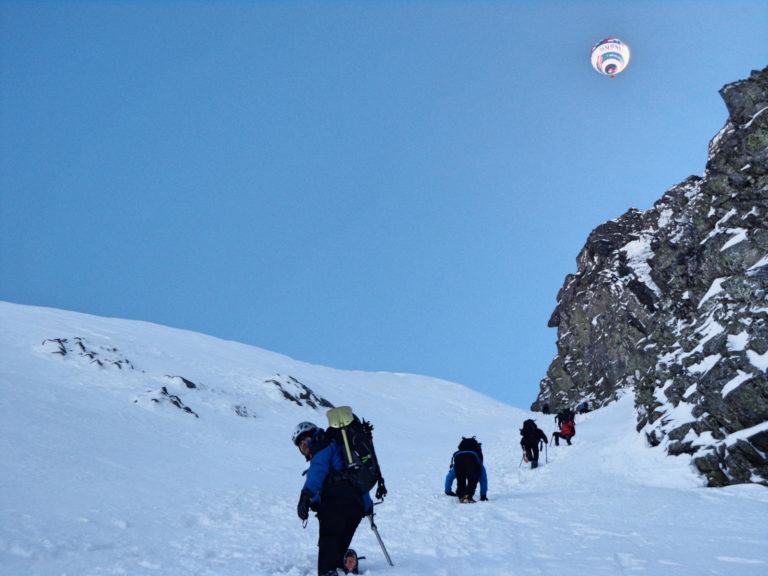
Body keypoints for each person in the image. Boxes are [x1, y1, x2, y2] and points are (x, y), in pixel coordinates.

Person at [293, 421, 373, 576]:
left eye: (306, 441)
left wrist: (305, 496)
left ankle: (329, 570)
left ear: (314, 435)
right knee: (336, 547)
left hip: (335, 504)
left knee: (327, 552)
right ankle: (346, 561)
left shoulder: (323, 445)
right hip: (355, 507)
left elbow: (317, 472)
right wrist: (367, 505)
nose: (305, 446)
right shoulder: (339, 448)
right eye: (301, 446)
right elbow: (358, 481)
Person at [444, 436, 488, 503]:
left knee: (460, 479)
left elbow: (449, 477)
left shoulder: (459, 455)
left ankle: (461, 495)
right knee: (472, 479)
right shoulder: (476, 458)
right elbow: (483, 479)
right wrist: (483, 496)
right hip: (472, 462)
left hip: (459, 462)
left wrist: (448, 491)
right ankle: (468, 496)